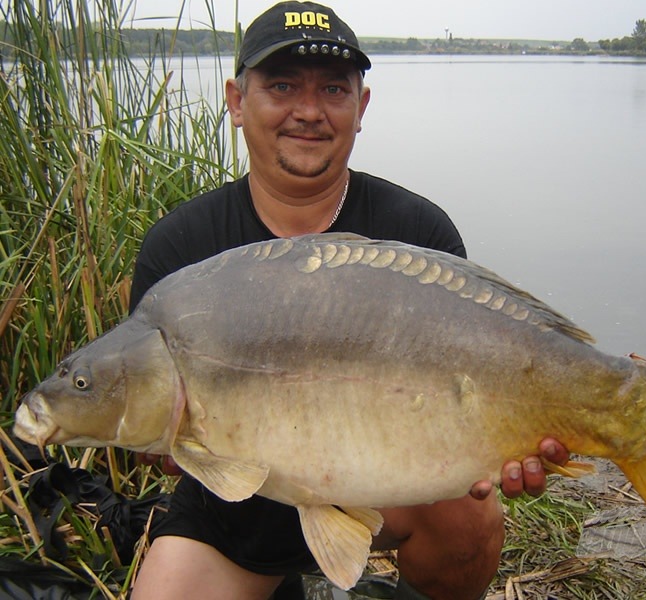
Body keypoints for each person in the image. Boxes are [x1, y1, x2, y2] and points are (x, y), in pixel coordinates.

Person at [129, 2, 569, 599]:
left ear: (361, 108)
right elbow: (157, 417)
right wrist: (161, 438)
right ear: (236, 101)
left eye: (334, 89)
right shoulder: (180, 246)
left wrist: (507, 445)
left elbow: (486, 372)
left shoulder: (418, 232)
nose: (308, 111)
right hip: (236, 517)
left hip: (385, 488)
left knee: (470, 515)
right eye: (282, 85)